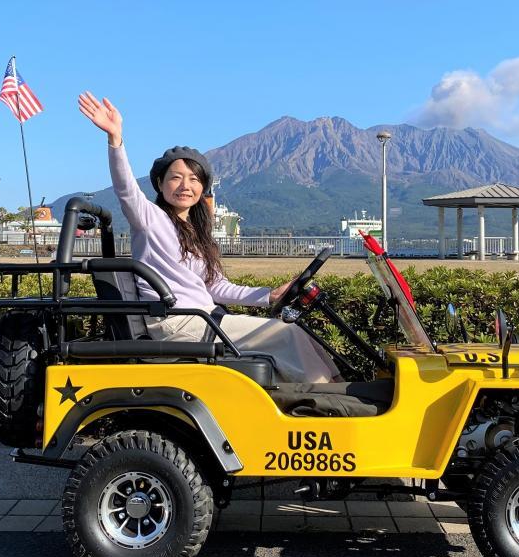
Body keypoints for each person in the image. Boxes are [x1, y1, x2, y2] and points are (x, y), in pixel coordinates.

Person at [77, 91, 341, 385]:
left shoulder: (196, 232)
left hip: (201, 317)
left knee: (300, 332)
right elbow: (126, 190)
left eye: (194, 179)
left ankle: (334, 390)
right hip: (176, 323)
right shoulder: (151, 220)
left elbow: (215, 286)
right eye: (175, 177)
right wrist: (115, 139)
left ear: (203, 187)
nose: (185, 186)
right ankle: (324, 403)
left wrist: (269, 296)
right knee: (285, 334)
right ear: (160, 184)